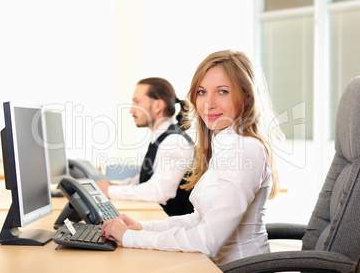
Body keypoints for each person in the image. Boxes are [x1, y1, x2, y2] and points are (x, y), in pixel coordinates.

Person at [100, 50, 284, 266]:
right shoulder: (224, 145)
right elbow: (199, 219)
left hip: (239, 268)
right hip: (211, 264)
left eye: (222, 91)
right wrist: (142, 227)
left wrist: (131, 238)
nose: (208, 103)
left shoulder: (246, 150)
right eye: (202, 92)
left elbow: (207, 240)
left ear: (246, 95)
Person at [96, 77, 195, 216]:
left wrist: (110, 191)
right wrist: (114, 186)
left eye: (137, 102)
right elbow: (144, 180)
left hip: (172, 226)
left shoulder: (174, 142)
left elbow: (160, 190)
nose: (131, 110)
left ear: (158, 106)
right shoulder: (162, 138)